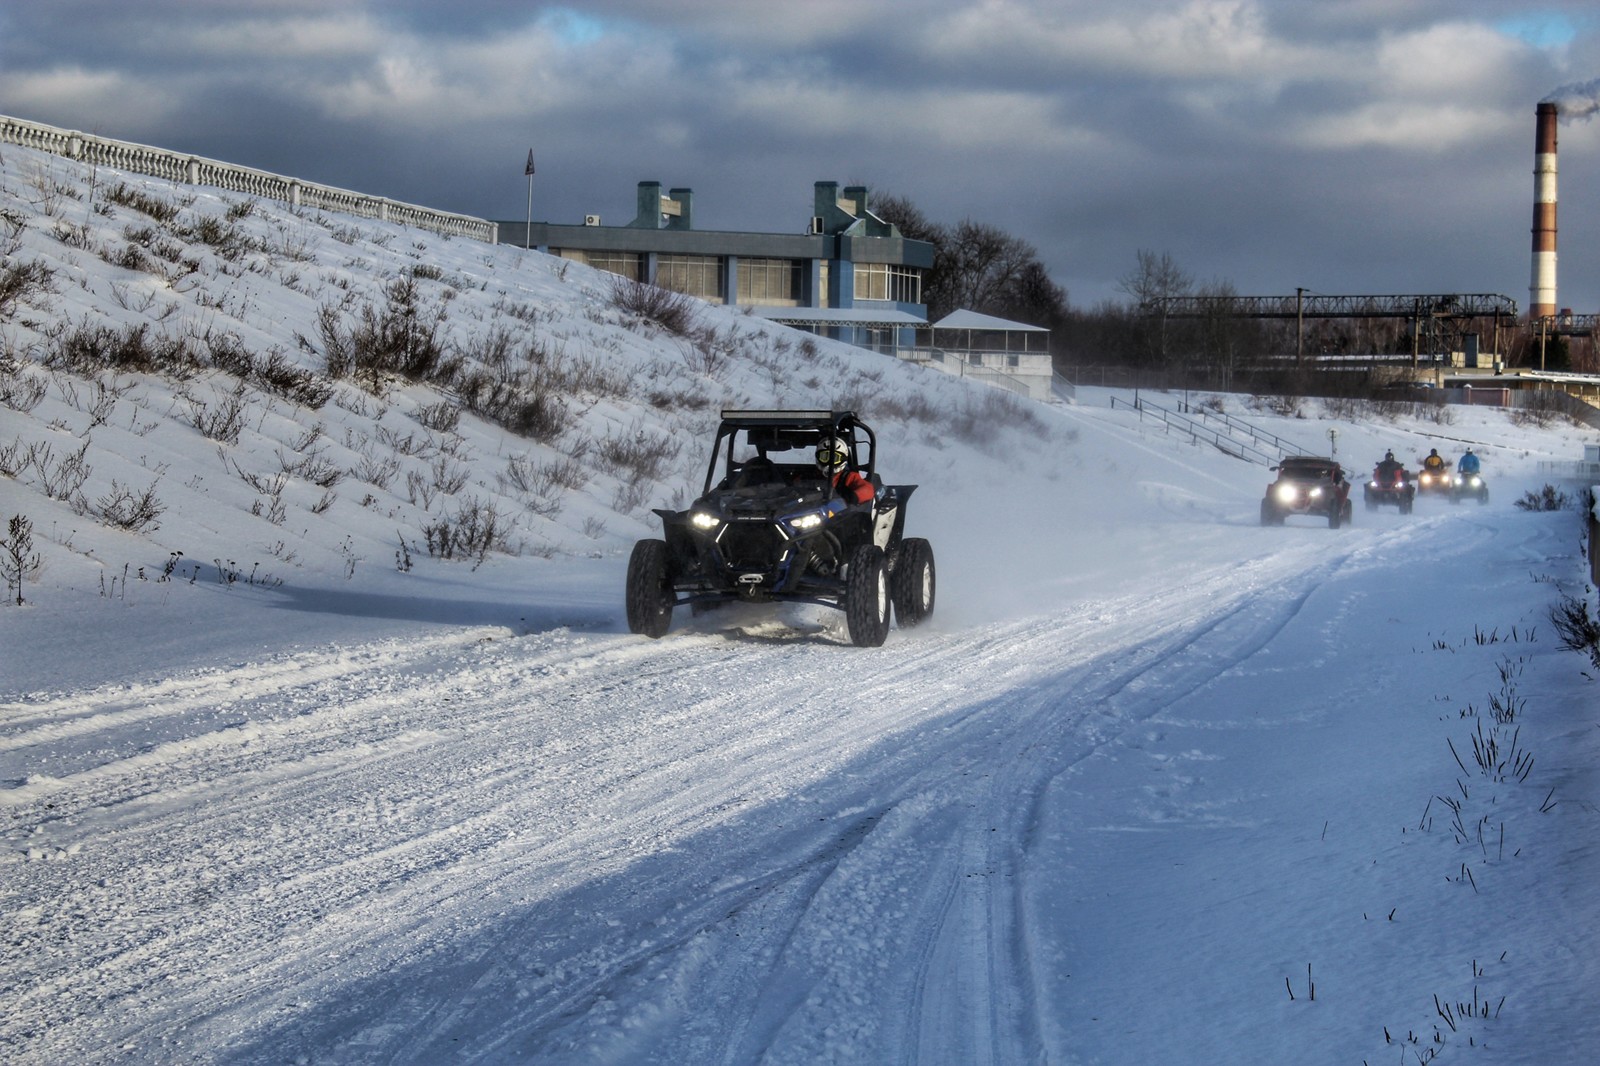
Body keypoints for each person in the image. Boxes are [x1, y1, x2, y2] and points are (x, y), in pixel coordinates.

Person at [816, 435, 874, 504]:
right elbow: (800, 483)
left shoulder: (847, 477)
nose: (829, 461)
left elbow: (868, 489)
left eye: (835, 458)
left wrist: (854, 496)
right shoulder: (812, 475)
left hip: (841, 512)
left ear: (842, 459)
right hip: (810, 508)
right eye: (824, 457)